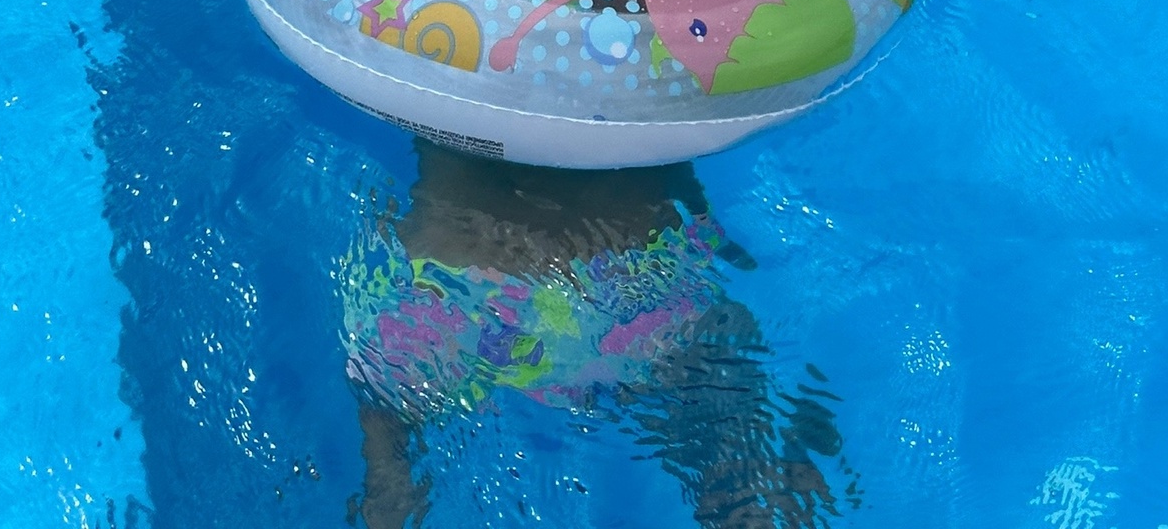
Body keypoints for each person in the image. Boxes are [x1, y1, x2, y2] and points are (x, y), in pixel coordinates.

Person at [342, 141, 849, 529]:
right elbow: (689, 150)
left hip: (473, 299)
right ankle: (756, 500)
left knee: (389, 411)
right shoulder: (658, 60)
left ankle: (388, 484)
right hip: (635, 293)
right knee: (721, 382)